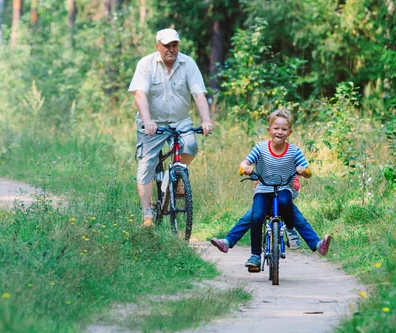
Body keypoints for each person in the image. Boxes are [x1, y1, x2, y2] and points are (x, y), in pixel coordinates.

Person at [210, 108, 331, 269]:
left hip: (284, 189)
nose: (279, 132)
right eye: (276, 128)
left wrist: (303, 170)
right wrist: (245, 168)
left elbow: (307, 170)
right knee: (256, 216)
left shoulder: (294, 151)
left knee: (286, 202)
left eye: (284, 129)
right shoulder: (261, 148)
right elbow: (244, 163)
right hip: (263, 190)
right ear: (269, 130)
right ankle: (253, 255)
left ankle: (308, 239)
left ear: (290, 132)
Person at [127, 28, 214, 228]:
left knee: (190, 145)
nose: (171, 49)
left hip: (180, 119)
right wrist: (148, 121)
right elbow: (140, 94)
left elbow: (198, 94)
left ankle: (178, 174)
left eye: (174, 45)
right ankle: (147, 213)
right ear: (158, 46)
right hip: (152, 122)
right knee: (146, 163)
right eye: (167, 45)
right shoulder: (146, 64)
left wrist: (206, 120)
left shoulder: (188, 63)